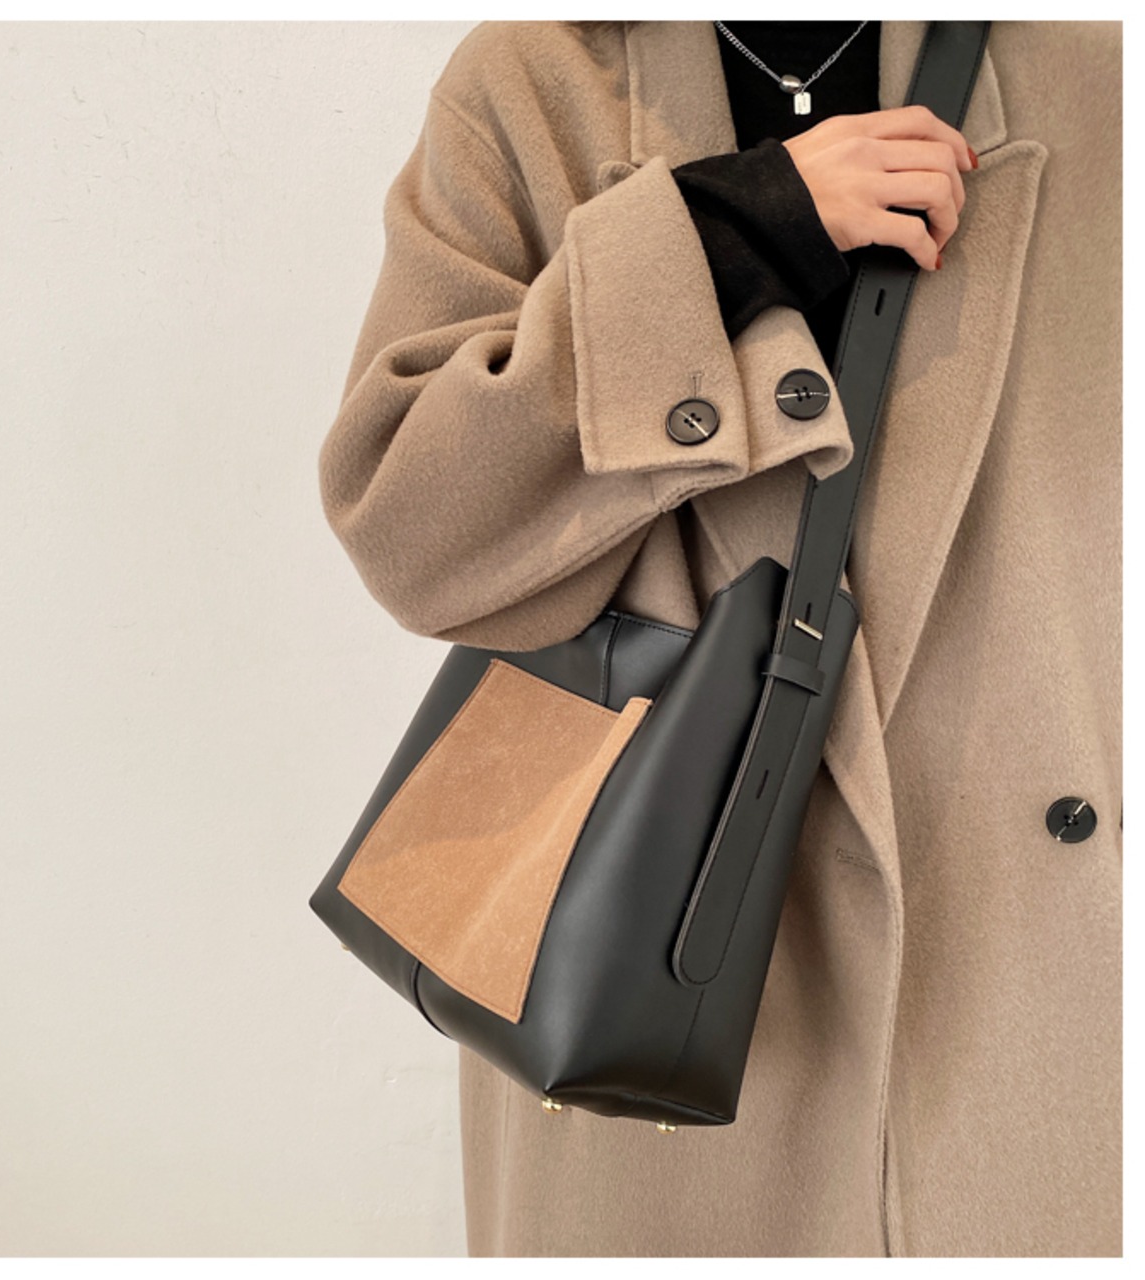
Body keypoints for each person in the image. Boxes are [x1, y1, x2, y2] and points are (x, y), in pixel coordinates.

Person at [317, 19, 1121, 1258]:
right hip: (650, 981)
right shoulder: (534, 82)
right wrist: (722, 234)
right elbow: (408, 525)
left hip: (1023, 975)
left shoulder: (1092, 69)